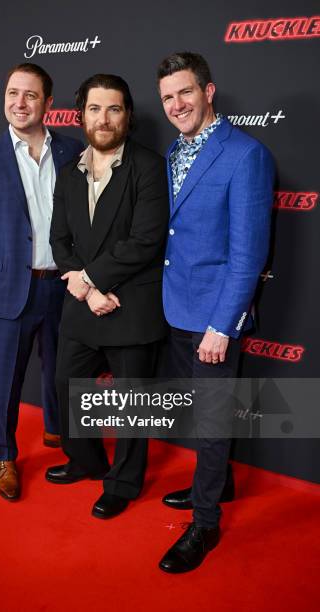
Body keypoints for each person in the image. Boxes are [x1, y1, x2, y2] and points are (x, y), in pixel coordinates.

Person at [157, 52, 275, 572]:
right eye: (166, 98)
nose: (176, 104)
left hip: (212, 320)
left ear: (208, 92)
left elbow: (248, 255)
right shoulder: (171, 152)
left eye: (185, 92)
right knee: (200, 413)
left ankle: (205, 525)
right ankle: (220, 483)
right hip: (174, 308)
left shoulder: (245, 154)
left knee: (211, 423)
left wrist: (221, 326)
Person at [46, 74, 169, 519]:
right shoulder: (68, 173)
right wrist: (81, 285)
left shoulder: (150, 166)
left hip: (130, 303)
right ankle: (87, 460)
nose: (104, 118)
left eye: (114, 108)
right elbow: (59, 240)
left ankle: (123, 483)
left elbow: (145, 240)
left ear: (128, 115)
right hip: (82, 303)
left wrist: (91, 281)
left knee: (132, 403)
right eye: (95, 108)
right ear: (81, 115)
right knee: (67, 386)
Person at [0, 63, 84, 501]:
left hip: (65, 287)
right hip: (11, 289)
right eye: (13, 93)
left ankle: (60, 435)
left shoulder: (74, 152)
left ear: (49, 103)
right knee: (6, 381)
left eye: (30, 95)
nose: (19, 103)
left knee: (62, 373)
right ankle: (4, 456)